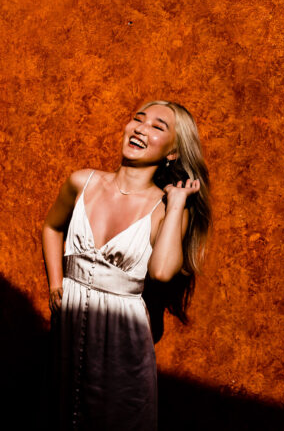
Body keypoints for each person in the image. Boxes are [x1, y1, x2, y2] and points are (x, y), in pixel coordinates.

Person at [41, 100, 212, 429]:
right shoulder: (81, 182)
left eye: (157, 126)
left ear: (173, 153)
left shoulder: (166, 209)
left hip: (123, 334)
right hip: (69, 324)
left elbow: (162, 272)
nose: (141, 128)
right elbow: (51, 227)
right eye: (138, 119)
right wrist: (56, 283)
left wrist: (176, 204)